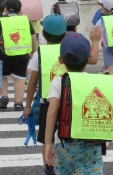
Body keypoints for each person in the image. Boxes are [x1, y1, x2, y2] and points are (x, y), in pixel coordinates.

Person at [24, 14, 101, 175]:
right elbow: (93, 59)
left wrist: (27, 105)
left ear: (43, 34)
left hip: (50, 102)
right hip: (86, 136)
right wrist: (95, 40)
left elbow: (32, 82)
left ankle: (48, 164)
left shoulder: (41, 53)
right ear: (64, 33)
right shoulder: (94, 80)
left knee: (48, 134)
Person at [44, 32, 104, 174]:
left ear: (60, 60)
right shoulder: (96, 83)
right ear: (89, 58)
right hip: (91, 147)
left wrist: (48, 142)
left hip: (66, 146)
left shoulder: (59, 81)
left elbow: (52, 111)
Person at [0, 0, 38, 111]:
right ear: (19, 10)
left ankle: (4, 96)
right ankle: (18, 103)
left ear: (6, 9)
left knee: (0, 75)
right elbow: (34, 38)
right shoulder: (25, 21)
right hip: (22, 55)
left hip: (4, 54)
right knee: (20, 78)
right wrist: (33, 52)